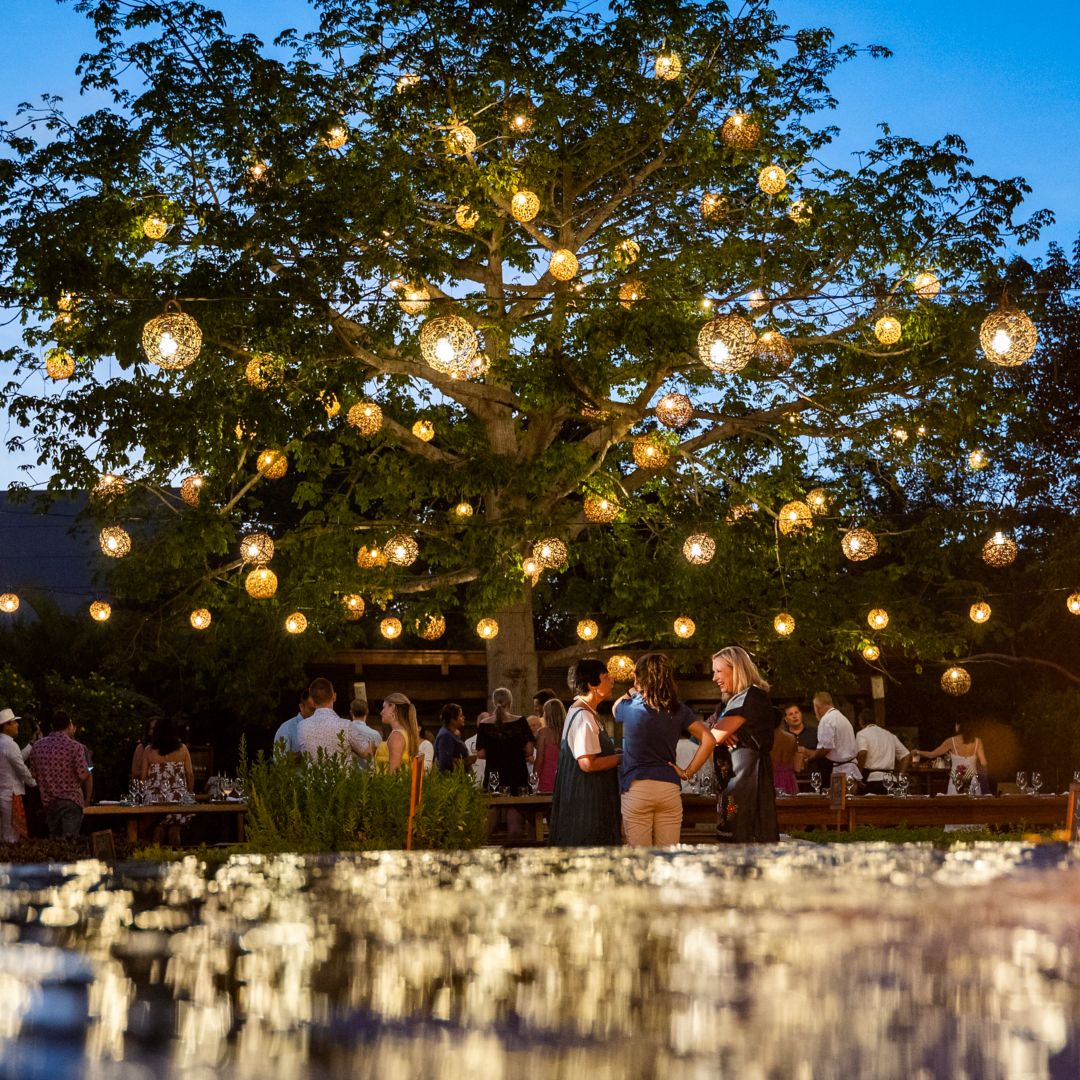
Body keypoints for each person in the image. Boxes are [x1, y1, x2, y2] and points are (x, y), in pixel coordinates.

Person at [616, 653, 715, 847]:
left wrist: (631, 691)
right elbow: (709, 740)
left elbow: (615, 708)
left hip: (637, 786)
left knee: (639, 860)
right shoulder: (679, 710)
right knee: (668, 859)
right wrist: (688, 772)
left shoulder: (628, 707)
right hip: (668, 788)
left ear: (638, 679)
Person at [708, 646, 779, 842]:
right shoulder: (727, 702)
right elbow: (711, 731)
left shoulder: (751, 696)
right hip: (733, 784)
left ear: (736, 669)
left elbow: (711, 737)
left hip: (747, 783)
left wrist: (717, 734)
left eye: (719, 671)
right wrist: (717, 729)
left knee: (742, 842)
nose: (714, 678)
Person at [548, 659, 622, 846]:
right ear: (592, 685)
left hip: (590, 797)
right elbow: (587, 764)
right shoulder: (583, 716)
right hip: (586, 801)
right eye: (606, 677)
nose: (611, 681)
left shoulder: (587, 713)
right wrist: (622, 758)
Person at [28, 711, 92, 838]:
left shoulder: (37, 746)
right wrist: (90, 767)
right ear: (69, 725)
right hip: (71, 800)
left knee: (56, 843)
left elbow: (33, 774)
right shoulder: (76, 747)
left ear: (52, 726)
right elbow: (83, 775)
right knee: (70, 841)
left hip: (49, 801)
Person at [139, 714, 196, 842]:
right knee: (175, 829)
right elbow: (190, 774)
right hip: (178, 798)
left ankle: (155, 857)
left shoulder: (149, 750)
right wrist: (190, 793)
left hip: (155, 799)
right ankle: (176, 858)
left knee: (158, 828)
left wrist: (144, 793)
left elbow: (143, 776)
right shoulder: (183, 749)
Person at [475, 687, 534, 795]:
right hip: (517, 771)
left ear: (493, 702)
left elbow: (481, 753)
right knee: (517, 806)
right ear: (510, 702)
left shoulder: (484, 724)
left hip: (494, 773)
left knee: (494, 806)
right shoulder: (521, 722)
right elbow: (530, 750)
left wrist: (496, 752)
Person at [298, 678, 372, 762]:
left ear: (313, 701)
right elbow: (367, 754)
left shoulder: (301, 726)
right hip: (340, 775)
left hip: (314, 775)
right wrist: (369, 741)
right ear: (334, 696)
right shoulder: (346, 726)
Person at [804, 692, 862, 788]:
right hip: (849, 770)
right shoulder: (842, 718)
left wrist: (810, 759)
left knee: (840, 802)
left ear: (817, 707)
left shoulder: (827, 719)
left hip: (842, 773)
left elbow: (826, 748)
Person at [916, 719, 987, 795]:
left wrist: (917, 752)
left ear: (959, 726)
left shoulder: (951, 741)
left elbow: (932, 754)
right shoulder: (977, 741)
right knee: (973, 806)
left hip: (956, 782)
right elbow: (984, 762)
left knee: (954, 805)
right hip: (973, 782)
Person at [855, 708, 911, 794]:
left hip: (873, 781)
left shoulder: (862, 734)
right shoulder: (889, 735)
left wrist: (858, 775)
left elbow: (862, 753)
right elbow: (906, 755)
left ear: (861, 721)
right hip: (891, 781)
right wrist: (900, 777)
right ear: (876, 720)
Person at [0, 707, 36, 843]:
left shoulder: (2, 743)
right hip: (11, 794)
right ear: (6, 725)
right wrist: (33, 782)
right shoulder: (10, 744)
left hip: (2, 792)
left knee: (2, 833)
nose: (17, 725)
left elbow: (16, 759)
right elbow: (20, 767)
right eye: (14, 722)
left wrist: (31, 745)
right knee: (11, 836)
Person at [375, 692, 421, 771]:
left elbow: (393, 772)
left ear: (392, 707)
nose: (381, 712)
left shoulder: (397, 736)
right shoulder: (405, 733)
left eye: (384, 707)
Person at [532, 698, 564, 794]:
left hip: (547, 776)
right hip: (565, 777)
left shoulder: (543, 733)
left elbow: (539, 759)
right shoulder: (569, 731)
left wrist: (534, 777)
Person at [435, 703, 475, 772]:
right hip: (452, 781)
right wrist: (468, 760)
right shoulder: (445, 736)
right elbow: (445, 764)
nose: (464, 717)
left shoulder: (452, 733)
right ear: (452, 720)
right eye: (460, 716)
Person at [274, 688, 314, 757]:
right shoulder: (286, 729)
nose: (316, 713)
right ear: (301, 707)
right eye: (312, 709)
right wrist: (308, 752)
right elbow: (280, 761)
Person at [770, 713, 799, 796]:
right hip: (789, 778)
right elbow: (796, 761)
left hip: (772, 778)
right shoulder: (792, 737)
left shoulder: (766, 739)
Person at [348, 698, 382, 767]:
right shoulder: (375, 734)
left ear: (351, 712)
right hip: (368, 773)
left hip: (348, 773)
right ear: (367, 712)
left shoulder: (345, 730)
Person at [783, 704, 817, 773]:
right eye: (790, 714)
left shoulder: (815, 732)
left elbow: (823, 753)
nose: (794, 716)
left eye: (796, 712)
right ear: (786, 719)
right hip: (790, 777)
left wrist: (806, 751)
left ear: (801, 714)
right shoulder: (783, 737)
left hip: (813, 775)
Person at [130, 716, 159, 783]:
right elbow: (134, 772)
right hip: (146, 786)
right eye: (153, 728)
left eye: (158, 729)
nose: (157, 731)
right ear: (148, 731)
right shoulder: (141, 748)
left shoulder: (166, 748)